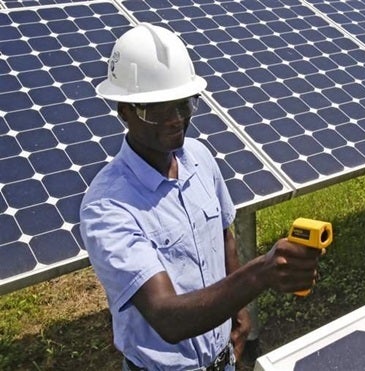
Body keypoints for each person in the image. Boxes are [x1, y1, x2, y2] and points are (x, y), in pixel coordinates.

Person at [79, 23, 322, 371]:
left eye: (184, 104)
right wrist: (260, 275)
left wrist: (239, 315)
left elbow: (224, 238)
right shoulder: (107, 208)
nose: (176, 120)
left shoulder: (199, 158)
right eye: (157, 109)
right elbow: (167, 317)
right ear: (124, 110)